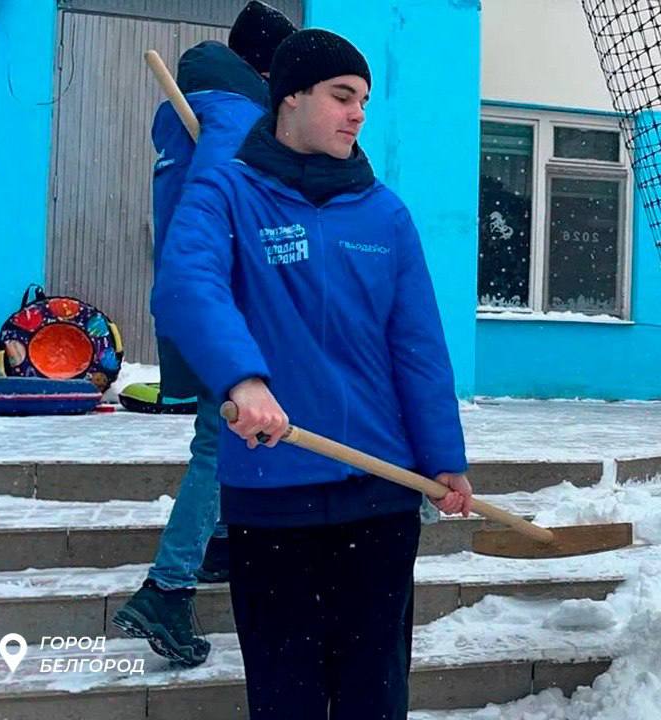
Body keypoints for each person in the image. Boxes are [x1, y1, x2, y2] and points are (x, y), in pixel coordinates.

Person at [151, 28, 474, 718]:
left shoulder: (385, 214)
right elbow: (187, 282)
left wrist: (444, 458)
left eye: (363, 99)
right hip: (275, 491)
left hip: (383, 491)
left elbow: (417, 346)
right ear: (290, 98)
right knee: (286, 692)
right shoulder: (229, 193)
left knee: (374, 691)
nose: (358, 113)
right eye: (342, 95)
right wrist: (243, 378)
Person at [112, 1, 297, 668]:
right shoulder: (236, 111)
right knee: (221, 443)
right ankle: (168, 587)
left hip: (202, 303)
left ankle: (218, 541)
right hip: (226, 305)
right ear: (267, 68)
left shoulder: (194, 111)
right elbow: (228, 202)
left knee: (226, 435)